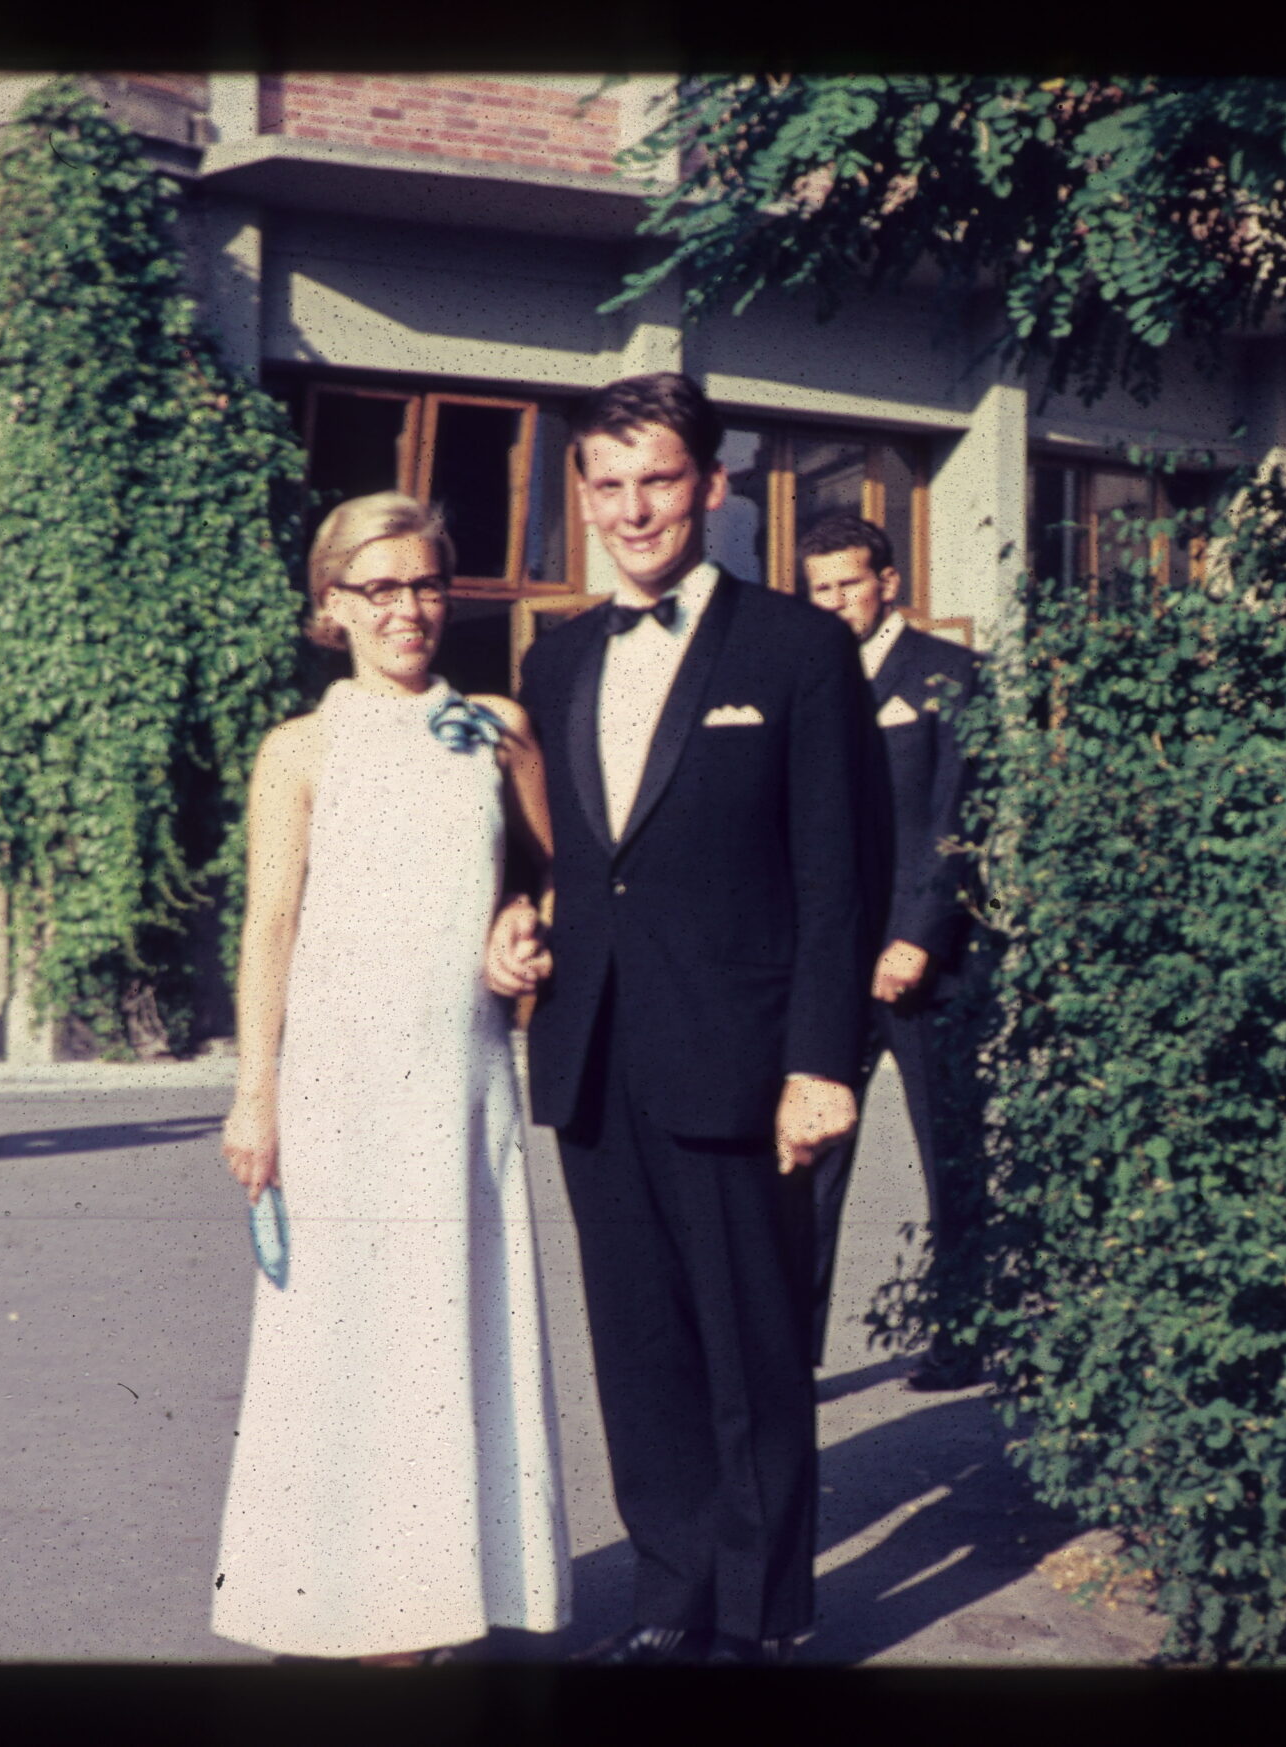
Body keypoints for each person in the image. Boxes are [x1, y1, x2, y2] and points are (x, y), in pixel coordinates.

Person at [485, 374, 884, 1665]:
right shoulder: (555, 658)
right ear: (582, 496)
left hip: (742, 1058)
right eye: (607, 484)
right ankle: (670, 1597)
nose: (632, 508)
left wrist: (821, 1061)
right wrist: (513, 915)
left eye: (657, 478)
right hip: (595, 1052)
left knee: (751, 1349)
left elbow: (841, 873)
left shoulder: (797, 648)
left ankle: (760, 1622)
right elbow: (555, 854)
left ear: (712, 485)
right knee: (641, 1347)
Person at [212, 491, 570, 1665]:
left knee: (444, 1330)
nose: (406, 609)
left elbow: (555, 875)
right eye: (378, 588)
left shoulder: (496, 728)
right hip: (339, 1091)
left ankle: (433, 1600)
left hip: (458, 1083)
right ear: (332, 605)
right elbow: (269, 926)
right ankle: (336, 1596)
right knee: (343, 1338)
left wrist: (522, 921)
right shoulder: (298, 751)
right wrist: (255, 1094)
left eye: (424, 584)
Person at [796, 513, 987, 1391]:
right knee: (811, 1152)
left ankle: (963, 1334)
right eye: (820, 588)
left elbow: (959, 820)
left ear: (888, 583)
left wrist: (918, 935)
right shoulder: (803, 679)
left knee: (950, 1151)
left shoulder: (952, 675)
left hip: (925, 967)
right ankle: (791, 1351)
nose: (835, 601)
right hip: (829, 963)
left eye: (849, 583)